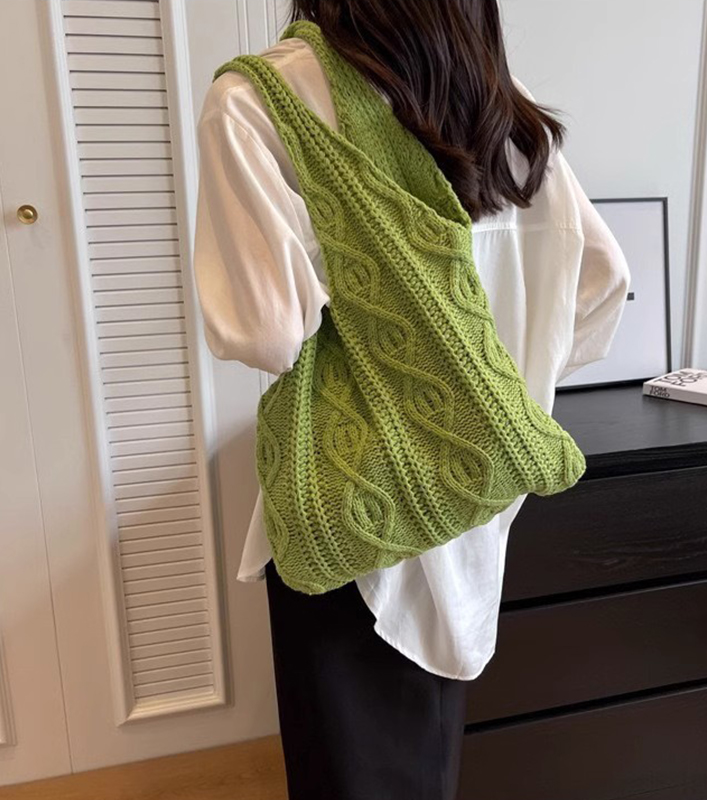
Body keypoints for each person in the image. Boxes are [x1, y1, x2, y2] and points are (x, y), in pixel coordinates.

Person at [193, 2, 630, 798]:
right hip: (476, 512)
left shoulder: (257, 100)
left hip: (354, 523)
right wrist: (492, 390)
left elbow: (266, 334)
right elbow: (602, 284)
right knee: (426, 764)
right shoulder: (499, 103)